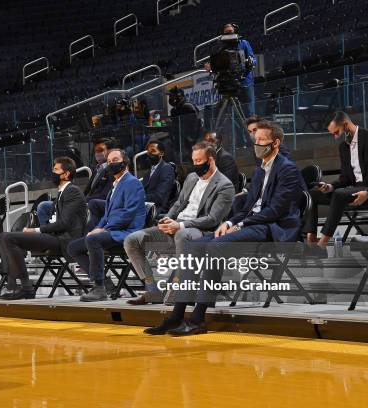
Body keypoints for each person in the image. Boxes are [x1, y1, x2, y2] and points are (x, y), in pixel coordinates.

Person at [145, 121, 303, 336]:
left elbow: (275, 211)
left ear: (275, 143)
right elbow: (246, 207)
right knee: (193, 248)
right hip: (251, 222)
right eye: (255, 140)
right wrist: (228, 223)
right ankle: (176, 315)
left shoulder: (288, 169)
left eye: (262, 141)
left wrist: (239, 224)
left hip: (271, 227)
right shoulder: (260, 169)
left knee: (216, 247)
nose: (256, 145)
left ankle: (198, 318)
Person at [124, 142, 235, 305]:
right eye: (193, 161)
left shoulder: (225, 185)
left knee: (183, 235)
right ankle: (152, 290)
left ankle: (180, 288)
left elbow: (213, 219)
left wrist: (181, 225)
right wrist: (167, 219)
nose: (195, 165)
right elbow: (178, 203)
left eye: (199, 161)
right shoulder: (191, 178)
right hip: (176, 225)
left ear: (210, 160)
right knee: (132, 240)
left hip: (200, 230)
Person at [0, 157, 87, 300]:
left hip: (65, 240)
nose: (53, 172)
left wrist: (38, 230)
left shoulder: (72, 191)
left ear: (66, 174)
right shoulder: (62, 193)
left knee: (7, 237)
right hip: (55, 237)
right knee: (5, 237)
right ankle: (17, 285)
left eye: (56, 169)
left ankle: (19, 287)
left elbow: (64, 223)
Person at [303, 111, 368, 254]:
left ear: (345, 125)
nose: (335, 136)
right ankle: (310, 243)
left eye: (336, 132)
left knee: (339, 194)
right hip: (354, 190)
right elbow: (345, 179)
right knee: (312, 194)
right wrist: (329, 186)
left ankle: (321, 246)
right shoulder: (344, 147)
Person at [68, 149, 146, 302]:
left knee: (93, 240)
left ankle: (99, 288)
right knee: (73, 247)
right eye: (109, 161)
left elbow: (128, 213)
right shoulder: (114, 186)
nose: (111, 164)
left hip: (128, 231)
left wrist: (104, 229)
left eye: (115, 160)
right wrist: (98, 227)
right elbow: (106, 215)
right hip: (114, 230)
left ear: (125, 162)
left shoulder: (132, 183)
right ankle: (106, 282)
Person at [37, 138, 115, 226]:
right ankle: (49, 233)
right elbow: (87, 191)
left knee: (44, 206)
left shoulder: (112, 171)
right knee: (44, 206)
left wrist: (81, 200)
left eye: (100, 150)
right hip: (82, 202)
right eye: (96, 150)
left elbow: (104, 195)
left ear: (109, 151)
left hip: (91, 204)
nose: (97, 153)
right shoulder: (97, 169)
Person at [140, 140, 176, 215]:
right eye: (148, 151)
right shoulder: (148, 172)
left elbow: (159, 197)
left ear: (161, 153)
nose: (149, 154)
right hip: (145, 205)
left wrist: (138, 198)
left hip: (157, 208)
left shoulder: (167, 169)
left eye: (153, 151)